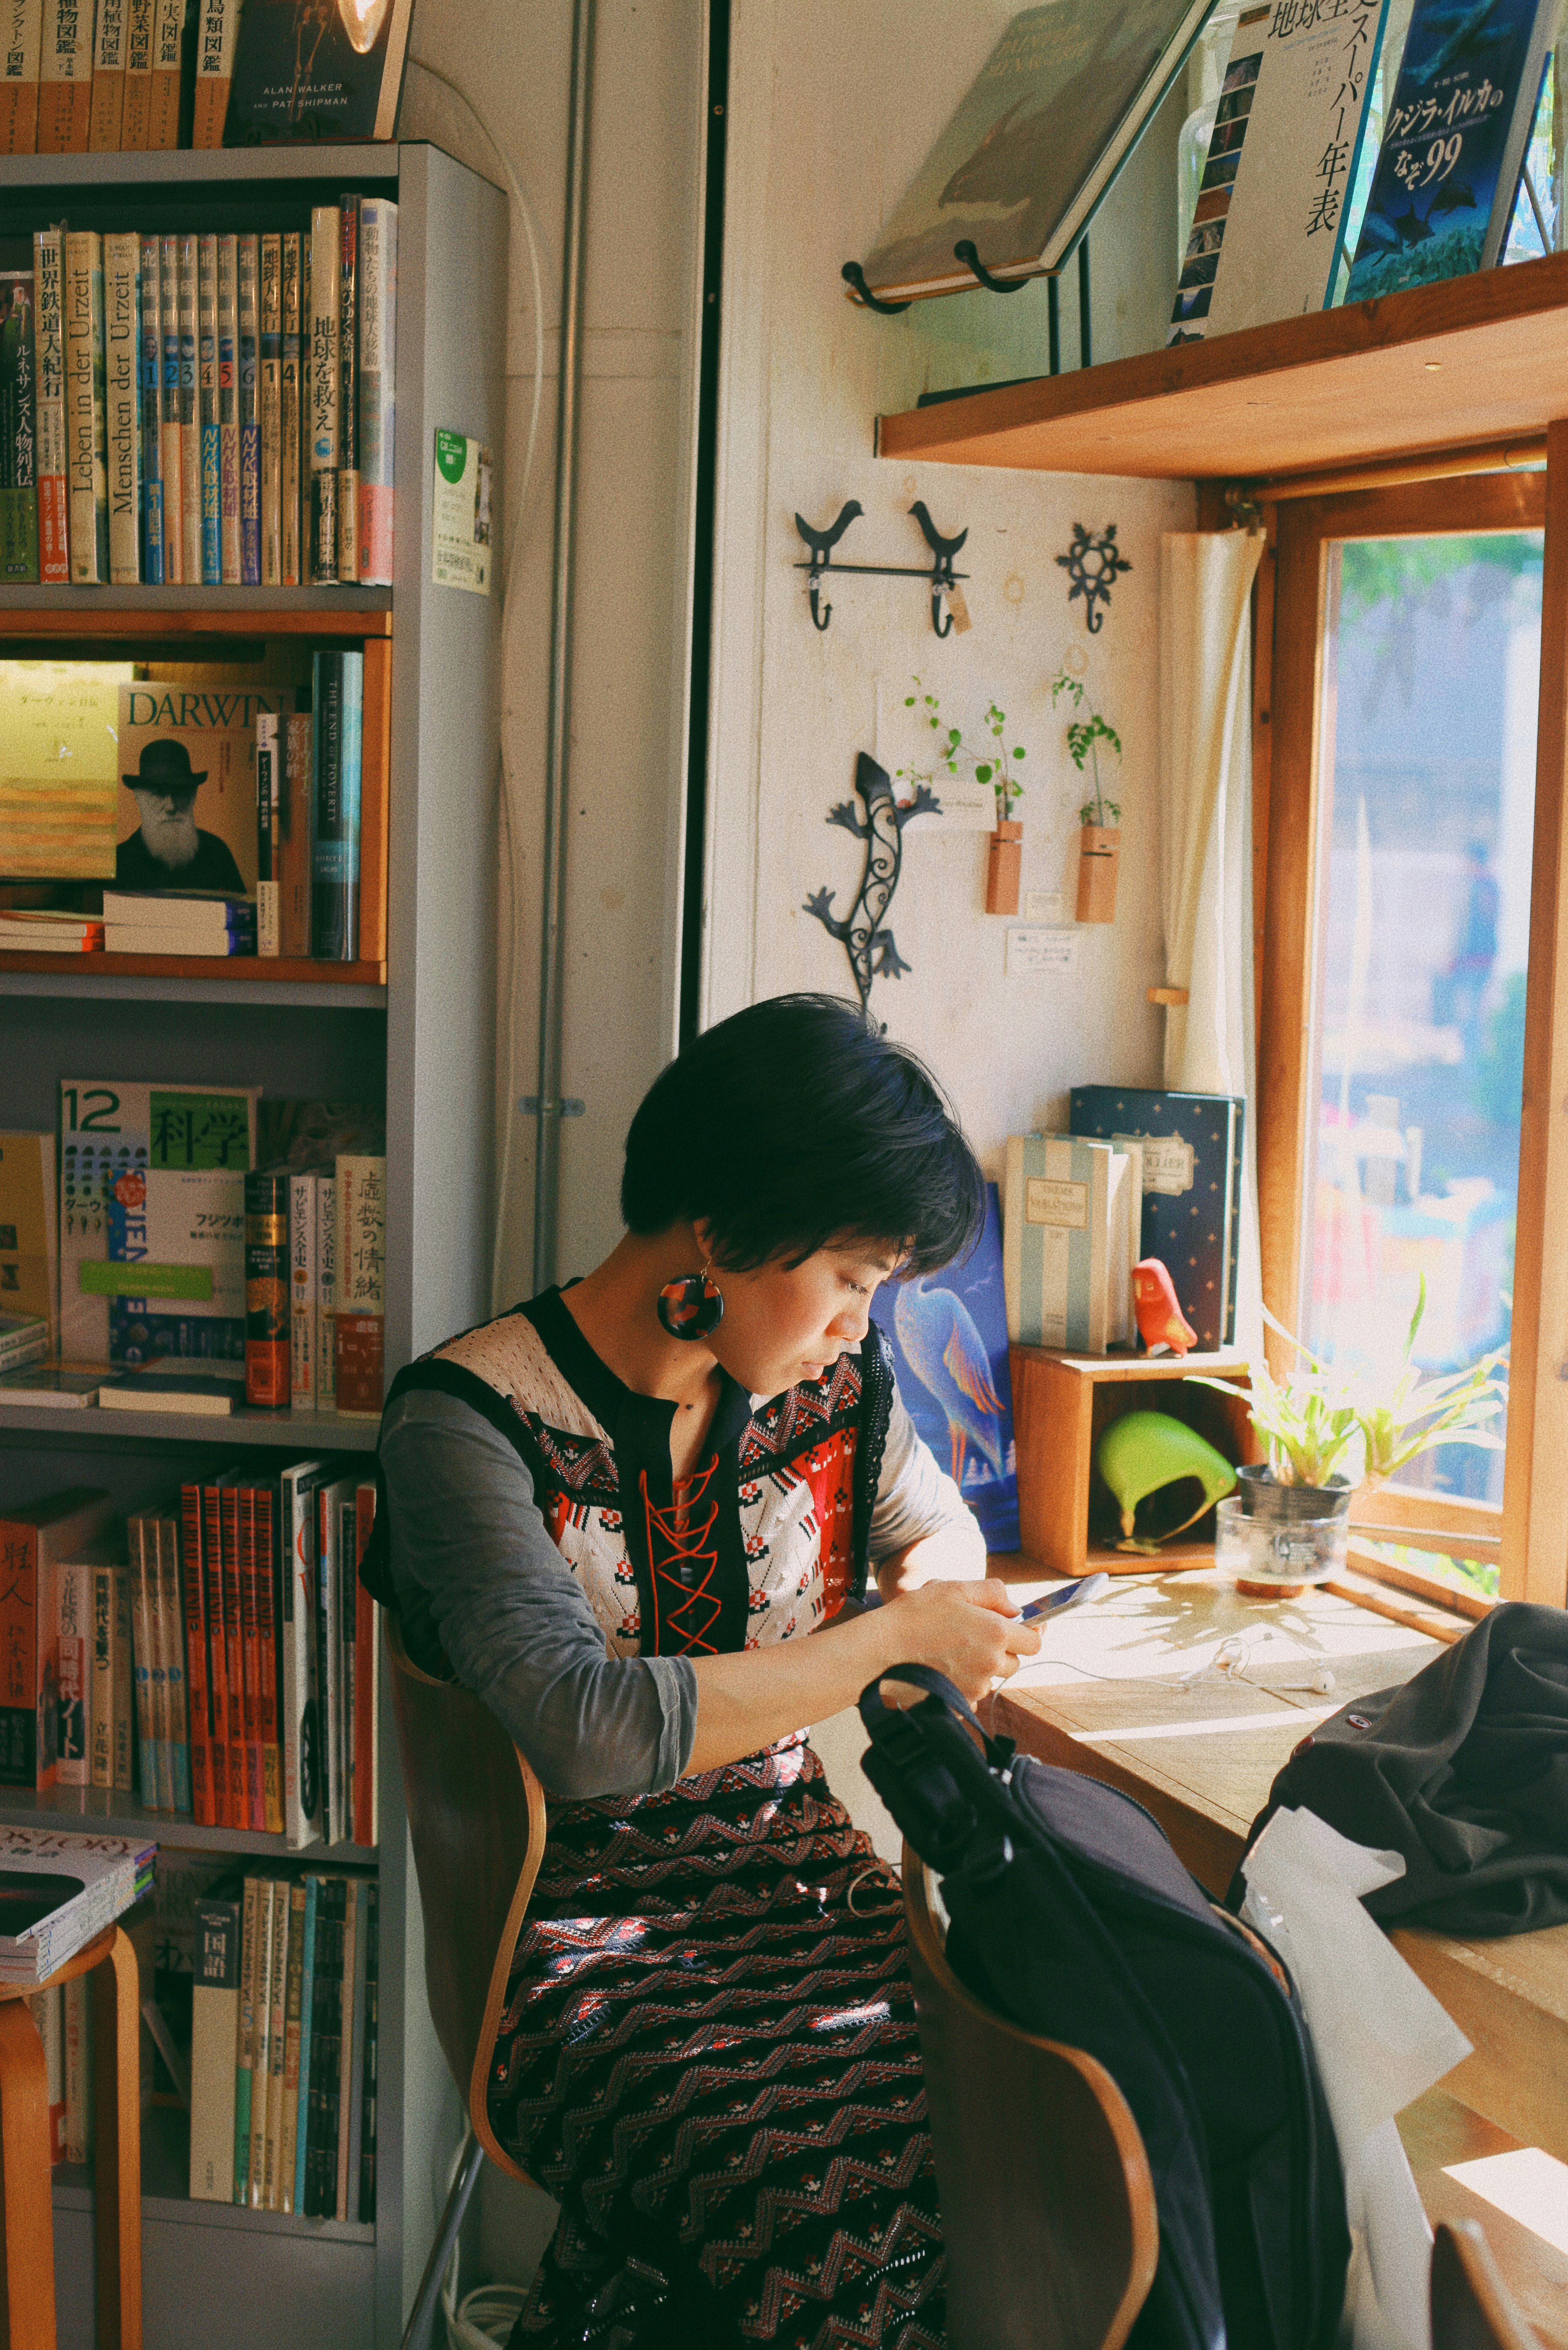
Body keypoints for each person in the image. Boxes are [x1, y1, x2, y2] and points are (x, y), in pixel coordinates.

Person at [369, 993, 1040, 2350]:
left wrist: (933, 1586)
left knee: (1041, 2117)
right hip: (569, 1938)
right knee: (859, 2222)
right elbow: (584, 1731)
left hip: (801, 1884)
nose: (861, 1325)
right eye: (852, 1278)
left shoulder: (830, 1394)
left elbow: (934, 1527)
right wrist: (892, 1639)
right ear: (724, 1236)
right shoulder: (466, 1421)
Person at [115, 739, 246, 893]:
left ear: (193, 795)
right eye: (158, 794)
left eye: (180, 793)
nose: (171, 807)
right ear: (139, 798)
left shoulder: (217, 853)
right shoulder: (121, 860)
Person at [1432, 838, 1499, 1059]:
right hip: (1481, 960)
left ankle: (1472, 1061)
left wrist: (1455, 958)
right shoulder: (1490, 886)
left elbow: (1467, 929)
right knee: (1472, 1013)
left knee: (1468, 1014)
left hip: (1472, 962)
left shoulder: (1478, 888)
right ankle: (1472, 1058)